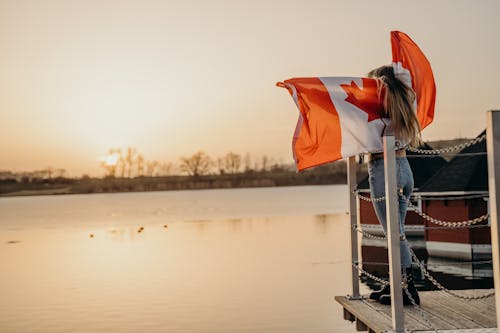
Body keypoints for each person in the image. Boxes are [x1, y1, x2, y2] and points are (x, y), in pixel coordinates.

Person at [365, 65, 421, 306]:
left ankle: (407, 290)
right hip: (404, 167)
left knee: (394, 235)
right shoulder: (405, 101)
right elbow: (405, 75)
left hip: (384, 169)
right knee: (397, 233)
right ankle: (398, 282)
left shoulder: (378, 106)